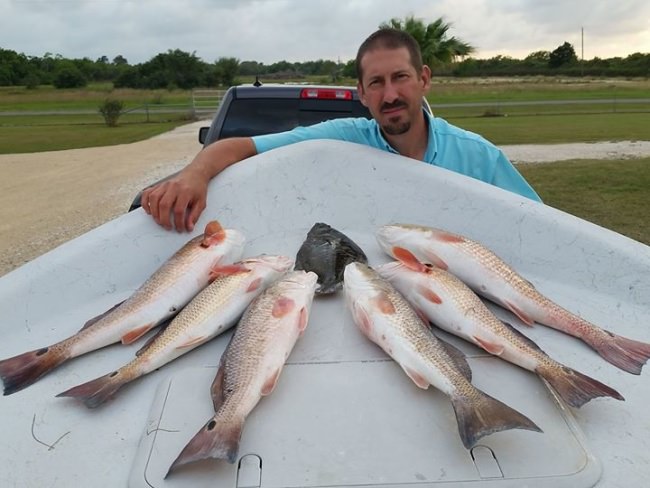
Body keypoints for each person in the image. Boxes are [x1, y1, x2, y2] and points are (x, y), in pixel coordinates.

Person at [142, 28, 540, 232]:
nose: (390, 95)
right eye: (377, 83)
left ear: (423, 79)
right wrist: (193, 175)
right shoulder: (342, 139)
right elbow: (238, 146)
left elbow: (539, 227)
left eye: (400, 77)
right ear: (362, 94)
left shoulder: (478, 156)